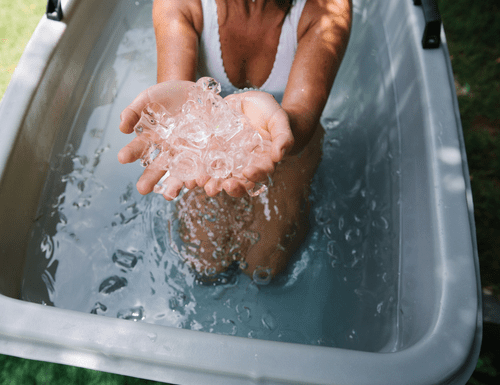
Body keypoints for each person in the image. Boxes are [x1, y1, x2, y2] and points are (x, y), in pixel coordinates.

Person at [118, 0, 352, 283]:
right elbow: (179, 99)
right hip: (210, 136)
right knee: (205, 262)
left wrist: (276, 125)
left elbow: (303, 117)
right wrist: (179, 125)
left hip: (290, 138)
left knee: (264, 265)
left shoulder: (325, 9)